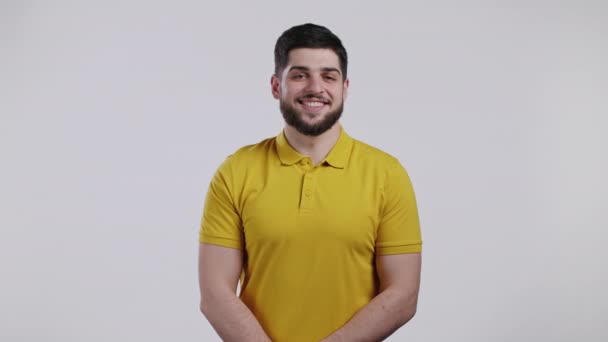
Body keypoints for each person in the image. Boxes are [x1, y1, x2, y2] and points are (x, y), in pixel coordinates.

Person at [198, 23, 422, 342]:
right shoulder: (236, 171)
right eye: (300, 75)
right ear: (277, 86)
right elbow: (215, 295)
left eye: (328, 76)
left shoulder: (387, 174)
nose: (315, 87)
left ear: (345, 87)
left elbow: (403, 294)